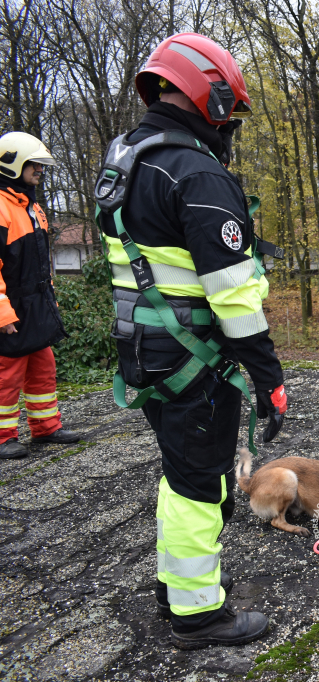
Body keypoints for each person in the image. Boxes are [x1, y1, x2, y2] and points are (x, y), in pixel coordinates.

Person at [94, 33, 286, 648]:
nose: (230, 124)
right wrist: (268, 378)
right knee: (198, 486)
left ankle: (175, 587)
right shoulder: (195, 172)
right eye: (229, 110)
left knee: (183, 473)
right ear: (211, 92)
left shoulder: (126, 158)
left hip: (145, 354)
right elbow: (232, 296)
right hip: (194, 362)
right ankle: (198, 615)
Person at [0, 132, 81, 459]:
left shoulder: (31, 206)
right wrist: (3, 314)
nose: (40, 170)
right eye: (34, 164)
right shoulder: (3, 208)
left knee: (43, 369)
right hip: (12, 309)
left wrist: (49, 302)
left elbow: (39, 265)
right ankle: (4, 437)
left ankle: (46, 428)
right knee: (7, 375)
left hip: (36, 306)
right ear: (13, 164)